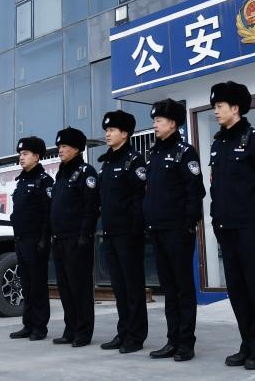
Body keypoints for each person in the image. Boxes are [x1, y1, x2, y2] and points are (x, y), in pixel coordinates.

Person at [209, 82, 255, 371]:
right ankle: (247, 344)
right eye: (214, 106)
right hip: (226, 228)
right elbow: (217, 188)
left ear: (235, 108)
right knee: (238, 292)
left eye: (220, 106)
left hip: (250, 229)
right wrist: (216, 220)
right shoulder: (218, 143)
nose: (216, 111)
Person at [143, 98, 205, 363]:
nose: (155, 125)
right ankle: (172, 340)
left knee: (182, 288)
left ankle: (186, 343)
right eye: (154, 121)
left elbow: (195, 192)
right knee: (168, 289)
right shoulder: (154, 154)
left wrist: (188, 224)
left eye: (159, 120)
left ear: (173, 123)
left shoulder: (185, 152)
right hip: (157, 230)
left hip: (178, 231)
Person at [98, 110, 148, 354]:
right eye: (106, 130)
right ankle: (124, 331)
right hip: (110, 233)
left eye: (112, 130)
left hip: (129, 234)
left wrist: (137, 230)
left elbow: (140, 199)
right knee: (119, 287)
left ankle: (136, 336)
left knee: (133, 287)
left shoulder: (134, 160)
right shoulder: (107, 162)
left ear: (125, 134)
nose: (107, 134)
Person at [50, 126, 99, 347]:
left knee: (80, 287)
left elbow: (91, 207)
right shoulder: (61, 173)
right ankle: (70, 328)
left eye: (65, 146)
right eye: (59, 146)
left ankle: (83, 332)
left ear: (77, 149)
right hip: (59, 239)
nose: (60, 150)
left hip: (77, 239)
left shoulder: (86, 172)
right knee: (65, 288)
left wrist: (85, 235)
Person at [9, 136, 54, 342]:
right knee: (26, 285)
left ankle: (39, 326)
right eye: (20, 154)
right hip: (21, 240)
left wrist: (44, 239)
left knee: (37, 285)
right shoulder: (21, 181)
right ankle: (28, 324)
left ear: (36, 157)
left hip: (36, 242)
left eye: (25, 154)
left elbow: (47, 213)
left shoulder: (44, 181)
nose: (21, 157)